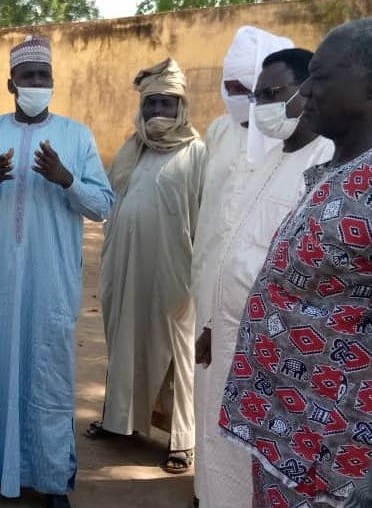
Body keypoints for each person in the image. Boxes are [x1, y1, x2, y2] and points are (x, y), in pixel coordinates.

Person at [0, 36, 114, 508]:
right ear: (11, 83)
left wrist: (67, 179)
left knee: (49, 376)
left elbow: (102, 206)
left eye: (44, 77)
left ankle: (51, 478)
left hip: (49, 282)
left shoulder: (76, 136)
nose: (36, 84)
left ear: (53, 84)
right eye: (28, 77)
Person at [219, 17, 372, 506]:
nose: (307, 91)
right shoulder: (335, 170)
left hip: (339, 456)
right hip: (285, 438)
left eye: (321, 76)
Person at [193, 48, 334, 507]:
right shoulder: (267, 156)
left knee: (253, 459)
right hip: (228, 336)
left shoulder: (327, 161)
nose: (263, 106)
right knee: (217, 450)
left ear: (305, 91)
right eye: (258, 96)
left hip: (275, 350)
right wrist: (213, 322)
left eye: (273, 93)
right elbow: (235, 247)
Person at [86, 58, 206, 475]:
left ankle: (181, 439)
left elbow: (203, 218)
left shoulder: (196, 152)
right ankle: (119, 420)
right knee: (124, 341)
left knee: (175, 351)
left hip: (171, 270)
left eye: (167, 103)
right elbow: (108, 197)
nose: (158, 111)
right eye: (151, 102)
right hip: (123, 263)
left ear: (181, 107)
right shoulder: (131, 147)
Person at [191, 26, 293, 507]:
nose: (242, 100)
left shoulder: (294, 142)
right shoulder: (217, 131)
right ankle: (206, 492)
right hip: (211, 296)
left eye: (253, 91)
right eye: (232, 88)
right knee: (209, 401)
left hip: (264, 319)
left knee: (249, 421)